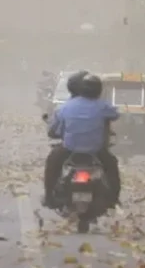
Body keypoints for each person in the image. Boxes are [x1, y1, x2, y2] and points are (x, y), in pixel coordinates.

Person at [43, 72, 122, 212]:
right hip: (96, 150)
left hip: (69, 149)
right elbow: (116, 114)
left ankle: (49, 197)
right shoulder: (103, 106)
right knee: (112, 165)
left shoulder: (66, 107)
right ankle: (114, 200)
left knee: (52, 162)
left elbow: (53, 129)